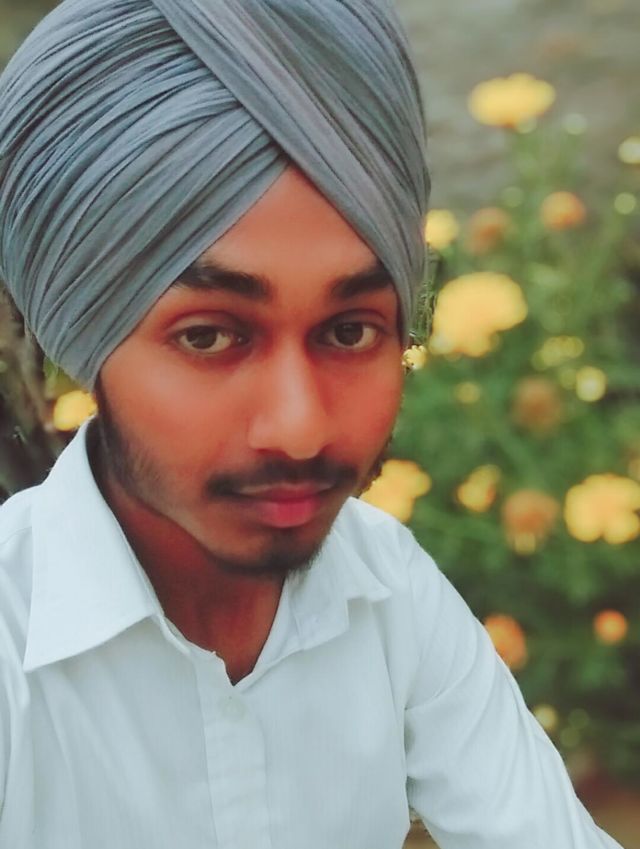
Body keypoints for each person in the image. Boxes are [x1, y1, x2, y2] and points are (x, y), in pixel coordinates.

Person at [0, 1, 624, 847]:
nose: (300, 429)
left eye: (350, 332)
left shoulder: (386, 588)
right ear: (85, 340)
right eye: (209, 337)